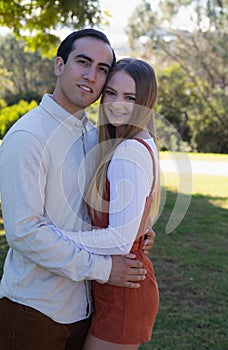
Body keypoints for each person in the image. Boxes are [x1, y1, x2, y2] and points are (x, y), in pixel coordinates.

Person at [0, 29, 155, 350]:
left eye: (102, 69)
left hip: (84, 305)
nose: (91, 75)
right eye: (83, 62)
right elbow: (24, 233)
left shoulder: (93, 133)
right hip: (36, 308)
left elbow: (104, 203)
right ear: (59, 65)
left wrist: (137, 227)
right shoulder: (28, 137)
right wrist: (105, 268)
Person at [54, 57, 161, 349]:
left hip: (124, 294)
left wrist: (54, 239)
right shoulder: (137, 140)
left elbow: (118, 240)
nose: (116, 104)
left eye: (130, 97)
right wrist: (141, 229)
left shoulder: (128, 150)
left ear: (145, 102)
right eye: (111, 93)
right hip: (115, 288)